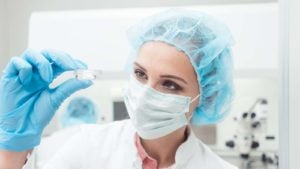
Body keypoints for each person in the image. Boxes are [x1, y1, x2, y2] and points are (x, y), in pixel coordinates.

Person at [0, 8, 236, 169]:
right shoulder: (88, 147)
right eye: (140, 74)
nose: (145, 94)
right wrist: (12, 150)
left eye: (170, 84)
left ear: (206, 96)